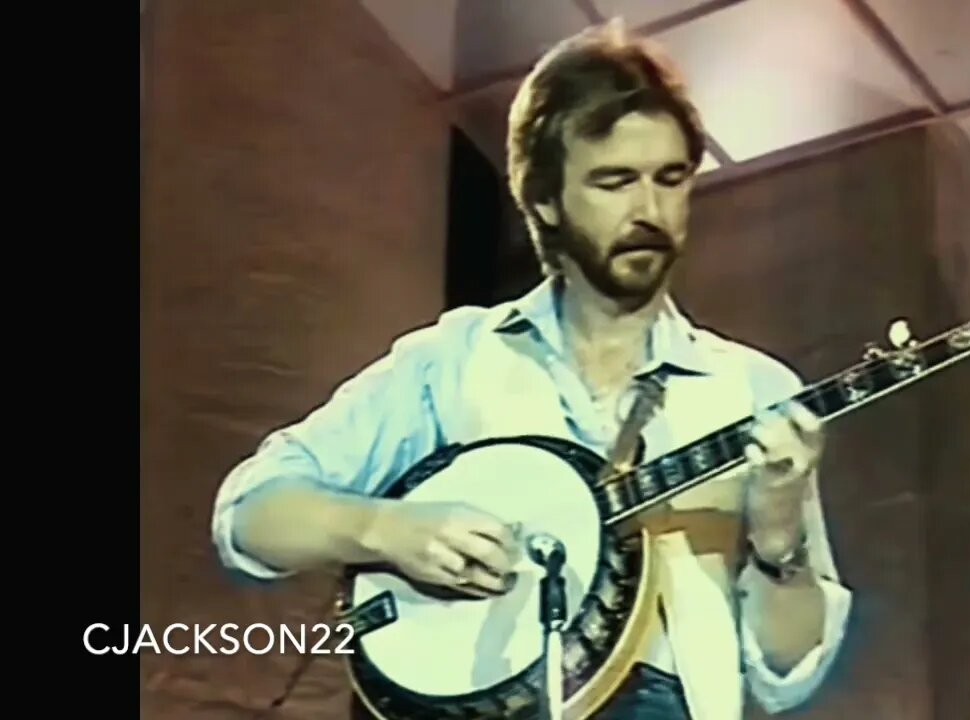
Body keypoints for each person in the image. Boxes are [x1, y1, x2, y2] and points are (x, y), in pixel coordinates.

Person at [210, 20, 853, 720]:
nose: (649, 211)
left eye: (670, 179)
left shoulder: (756, 392)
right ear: (545, 198)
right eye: (614, 182)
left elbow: (787, 675)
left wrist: (779, 538)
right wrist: (389, 530)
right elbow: (250, 515)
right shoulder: (453, 359)